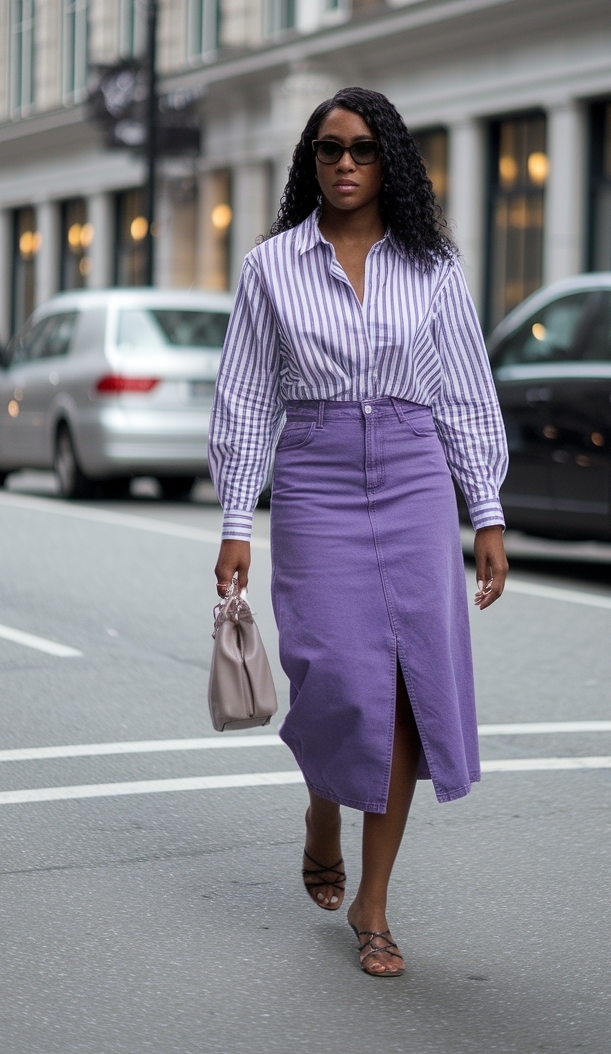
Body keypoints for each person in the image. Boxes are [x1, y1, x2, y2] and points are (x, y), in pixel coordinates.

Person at [209, 87, 508, 978]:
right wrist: (236, 519)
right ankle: (321, 807)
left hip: (414, 473)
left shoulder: (432, 267)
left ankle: (373, 907)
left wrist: (486, 510)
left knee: (408, 687)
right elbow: (247, 397)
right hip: (317, 474)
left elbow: (465, 391)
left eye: (365, 149)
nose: (346, 164)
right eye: (330, 149)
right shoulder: (271, 267)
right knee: (333, 673)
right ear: (312, 162)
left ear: (390, 163)